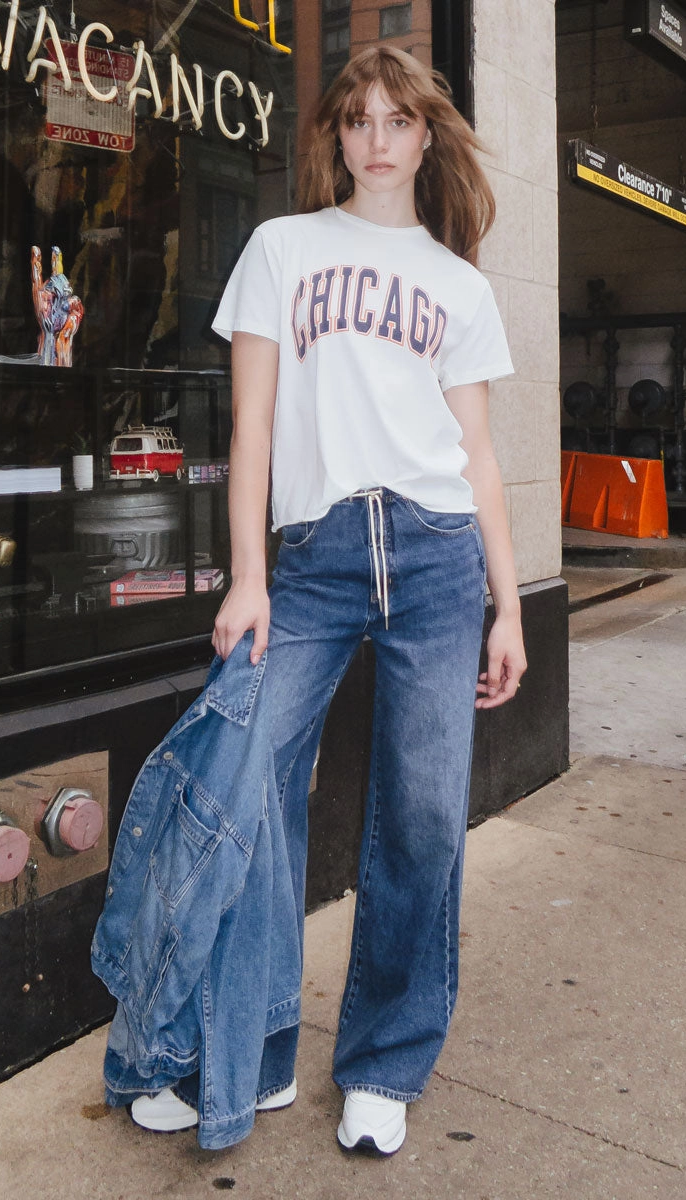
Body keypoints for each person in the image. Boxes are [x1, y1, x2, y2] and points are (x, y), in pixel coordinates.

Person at [131, 43, 526, 1155]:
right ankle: (241, 1054)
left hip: (439, 557)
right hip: (312, 556)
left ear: (426, 136)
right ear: (334, 137)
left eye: (398, 120)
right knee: (240, 785)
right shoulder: (281, 249)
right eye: (357, 120)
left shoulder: (458, 283)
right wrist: (246, 575)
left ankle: (384, 1064)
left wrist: (507, 606)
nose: (378, 140)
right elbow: (250, 429)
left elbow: (478, 456)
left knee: (420, 816)